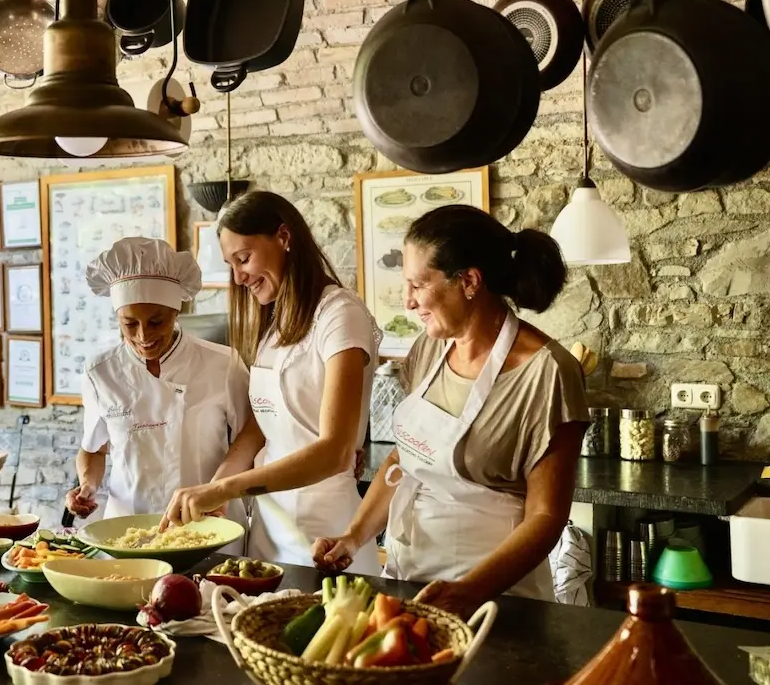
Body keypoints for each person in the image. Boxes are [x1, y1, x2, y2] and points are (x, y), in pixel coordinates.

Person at [312, 205, 590, 617]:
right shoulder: (429, 348)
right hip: (410, 581)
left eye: (418, 285)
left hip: (496, 601)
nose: (407, 302)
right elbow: (404, 460)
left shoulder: (548, 373)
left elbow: (547, 516)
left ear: (470, 281)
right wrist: (353, 538)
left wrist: (469, 591)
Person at [160, 191, 382, 575]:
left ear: (284, 237)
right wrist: (219, 482)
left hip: (324, 531)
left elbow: (336, 451)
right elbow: (262, 427)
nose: (238, 277)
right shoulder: (273, 327)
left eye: (243, 259)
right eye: (230, 264)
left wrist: (229, 488)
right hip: (268, 529)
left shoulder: (340, 315)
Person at [65, 237, 249, 547]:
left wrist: (222, 490)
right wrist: (87, 485)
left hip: (209, 526)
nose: (143, 335)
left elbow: (252, 438)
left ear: (176, 313)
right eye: (129, 323)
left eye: (156, 321)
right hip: (129, 530)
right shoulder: (101, 372)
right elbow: (94, 449)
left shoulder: (222, 364)